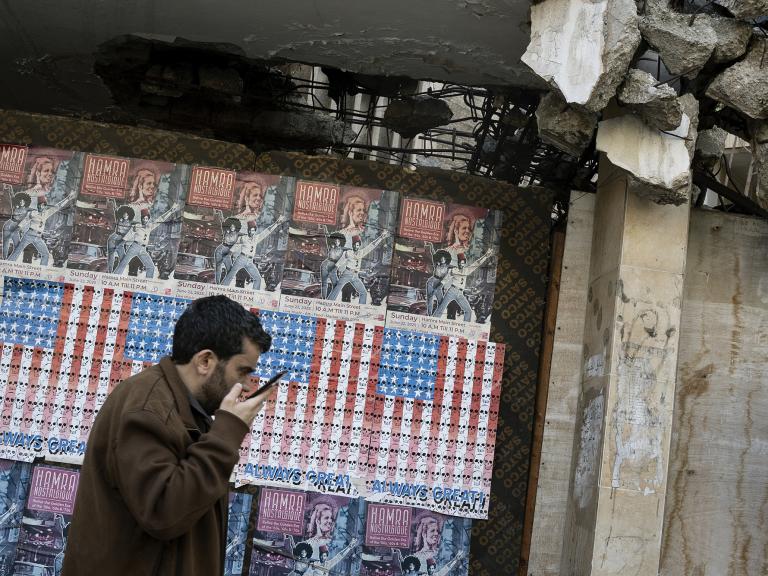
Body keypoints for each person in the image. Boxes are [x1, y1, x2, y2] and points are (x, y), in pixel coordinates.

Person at [61, 295, 276, 576]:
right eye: (243, 370)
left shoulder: (186, 409)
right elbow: (164, 511)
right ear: (205, 361)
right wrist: (227, 433)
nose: (248, 384)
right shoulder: (147, 408)